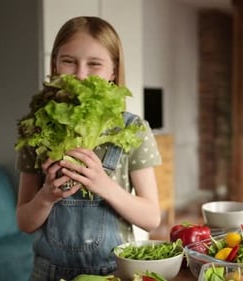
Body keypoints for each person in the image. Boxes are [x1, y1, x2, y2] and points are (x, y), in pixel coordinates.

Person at [16, 16, 162, 281]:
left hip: (112, 272)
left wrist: (103, 185)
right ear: (55, 65)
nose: (81, 74)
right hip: (47, 273)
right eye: (69, 61)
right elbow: (24, 222)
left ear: (113, 71)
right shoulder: (36, 127)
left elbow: (152, 218)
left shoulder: (133, 129)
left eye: (94, 64)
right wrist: (46, 197)